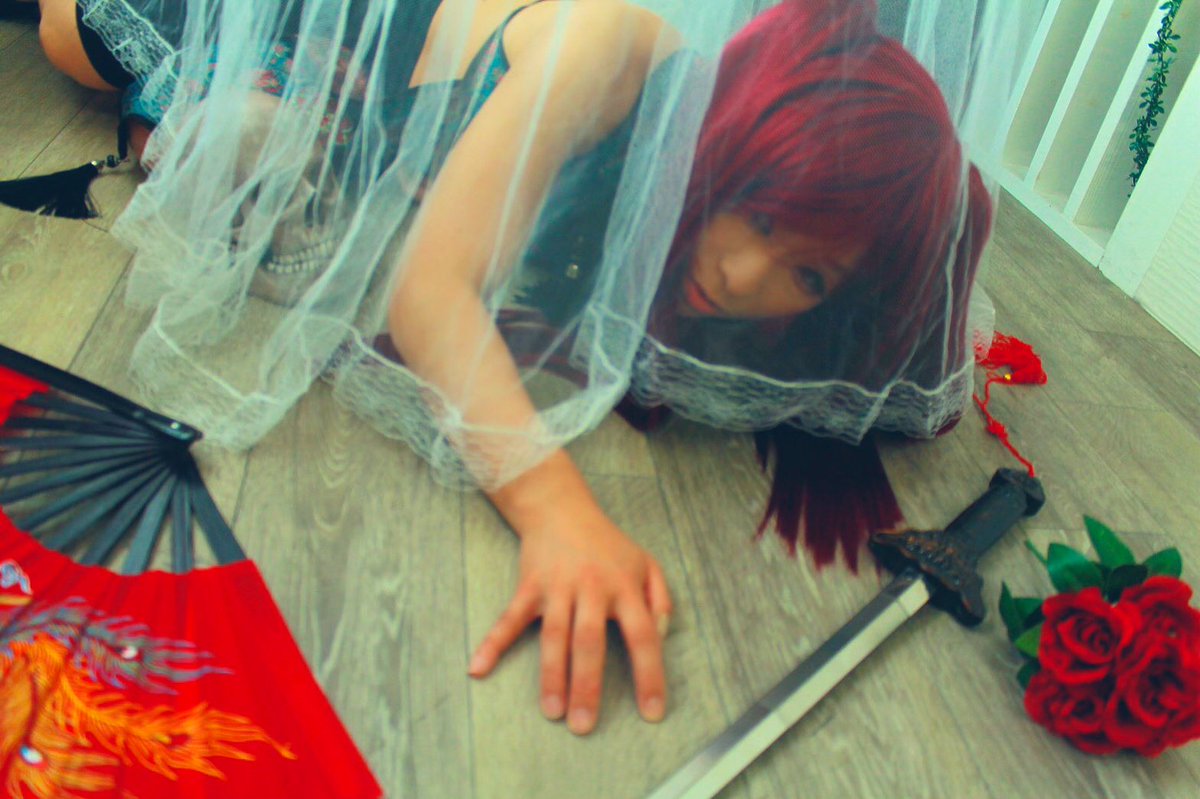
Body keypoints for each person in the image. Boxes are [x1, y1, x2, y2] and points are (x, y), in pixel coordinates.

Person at [35, 0, 1035, 736]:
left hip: (366, 116)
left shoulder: (754, 234)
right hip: (331, 40)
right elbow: (429, 293)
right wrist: (557, 508)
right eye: (761, 217)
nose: (742, 275)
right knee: (77, 39)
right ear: (735, 143)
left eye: (807, 275)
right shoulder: (604, 50)